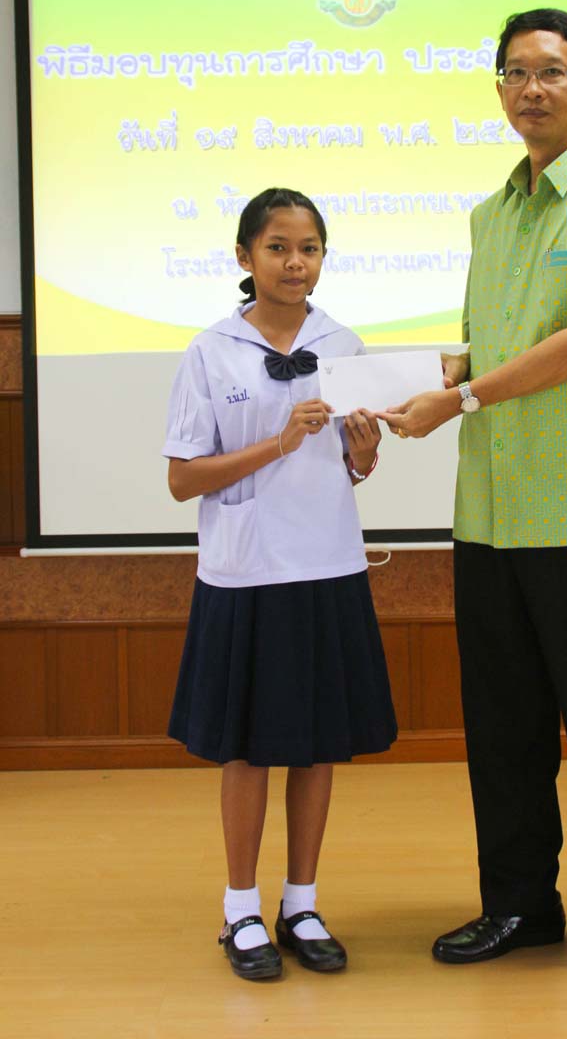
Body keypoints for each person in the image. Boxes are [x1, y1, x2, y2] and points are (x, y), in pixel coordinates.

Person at [380, 9, 567, 994]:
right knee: (503, 731)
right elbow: (489, 347)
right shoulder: (488, 215)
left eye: (550, 71)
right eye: (513, 72)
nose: (530, 88)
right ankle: (520, 905)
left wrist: (461, 398)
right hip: (488, 514)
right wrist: (440, 377)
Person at [163, 186, 397, 981]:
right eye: (277, 247)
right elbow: (182, 480)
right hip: (245, 572)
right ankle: (240, 909)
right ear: (244, 256)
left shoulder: (343, 343)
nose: (295, 263)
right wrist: (277, 442)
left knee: (317, 742)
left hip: (326, 564)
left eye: (309, 248)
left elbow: (353, 468)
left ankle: (301, 902)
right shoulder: (210, 351)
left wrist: (362, 450)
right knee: (246, 748)